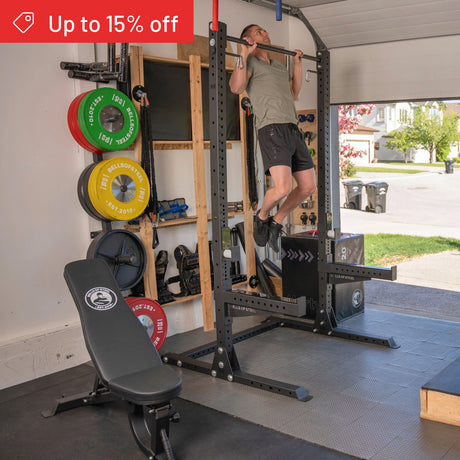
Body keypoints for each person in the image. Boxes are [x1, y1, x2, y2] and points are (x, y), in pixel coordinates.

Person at [229, 24, 316, 252]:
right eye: (260, 32)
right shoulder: (249, 63)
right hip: (271, 128)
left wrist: (297, 64)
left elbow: (294, 93)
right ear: (249, 39)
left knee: (307, 187)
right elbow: (236, 87)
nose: (266, 34)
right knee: (282, 188)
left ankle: (276, 221)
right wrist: (243, 53)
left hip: (292, 128)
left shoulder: (278, 65)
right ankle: (262, 215)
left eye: (265, 31)